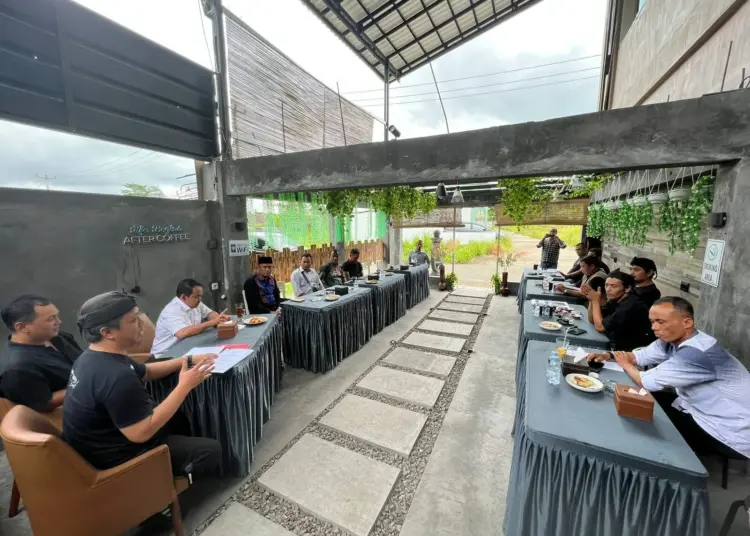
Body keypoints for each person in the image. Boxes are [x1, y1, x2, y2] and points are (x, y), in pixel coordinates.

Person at [62, 291, 222, 479]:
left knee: (180, 417)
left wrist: (187, 360)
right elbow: (141, 433)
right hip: (119, 458)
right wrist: (184, 386)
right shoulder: (115, 377)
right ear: (107, 332)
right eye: (132, 320)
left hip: (108, 440)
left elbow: (147, 371)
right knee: (212, 450)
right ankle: (158, 491)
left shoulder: (93, 357)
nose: (142, 324)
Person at [587, 297, 750, 460]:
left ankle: (641, 463)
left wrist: (626, 364)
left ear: (687, 322)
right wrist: (609, 355)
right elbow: (640, 356)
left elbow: (646, 381)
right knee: (635, 400)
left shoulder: (697, 353)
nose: (654, 328)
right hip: (696, 408)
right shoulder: (675, 339)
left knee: (641, 417)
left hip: (727, 430)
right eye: (652, 322)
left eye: (660, 322)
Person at [0, 295, 82, 412]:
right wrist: (85, 385)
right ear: (22, 327)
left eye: (57, 316)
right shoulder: (17, 369)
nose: (58, 322)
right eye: (50, 319)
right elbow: (42, 404)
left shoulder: (58, 338)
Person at [151, 279, 231, 356]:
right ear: (184, 297)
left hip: (187, 348)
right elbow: (182, 333)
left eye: (200, 296)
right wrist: (211, 323)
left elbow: (209, 313)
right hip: (166, 355)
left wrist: (218, 318)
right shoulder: (171, 311)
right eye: (196, 297)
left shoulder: (196, 303)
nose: (200, 299)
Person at [583, 269, 655, 351]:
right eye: (606, 285)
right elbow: (593, 320)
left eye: (614, 286)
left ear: (627, 288)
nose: (608, 289)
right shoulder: (617, 299)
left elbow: (600, 327)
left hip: (633, 350)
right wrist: (591, 300)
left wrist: (596, 301)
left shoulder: (630, 305)